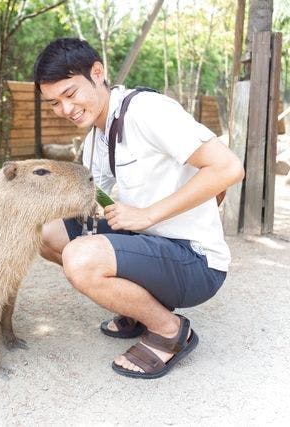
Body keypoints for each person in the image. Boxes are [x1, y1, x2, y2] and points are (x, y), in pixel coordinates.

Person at [33, 38, 244, 379]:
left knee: (80, 258)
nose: (66, 109)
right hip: (148, 243)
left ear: (97, 73)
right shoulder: (96, 138)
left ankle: (169, 330)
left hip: (194, 260)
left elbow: (229, 169)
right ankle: (135, 307)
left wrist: (148, 214)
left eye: (71, 94)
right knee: (47, 233)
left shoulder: (147, 111)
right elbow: (95, 194)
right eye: (55, 103)